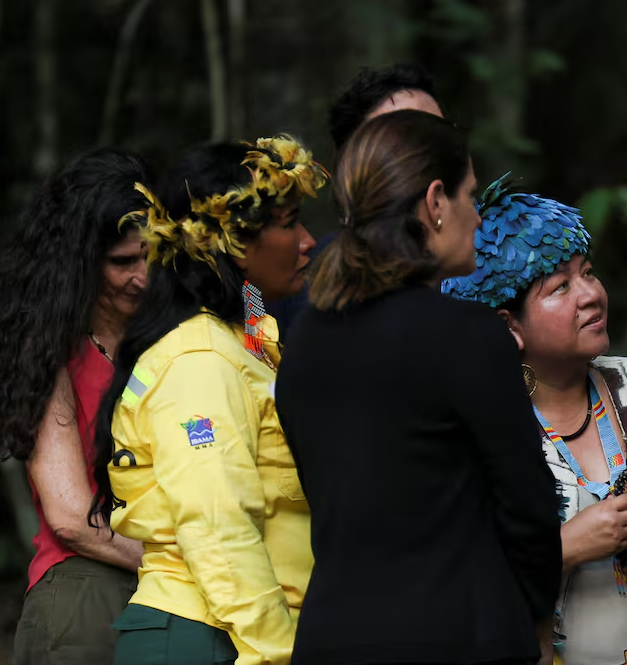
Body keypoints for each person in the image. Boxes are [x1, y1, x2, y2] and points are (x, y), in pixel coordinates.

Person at [274, 112, 562, 665]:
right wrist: (527, 616)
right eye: (470, 195)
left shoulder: (304, 339)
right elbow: (527, 508)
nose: (478, 216)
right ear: (435, 202)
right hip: (457, 635)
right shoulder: (469, 334)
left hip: (332, 638)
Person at [442, 177, 627, 665]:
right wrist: (564, 548)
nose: (591, 295)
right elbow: (456, 583)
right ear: (507, 325)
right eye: (560, 287)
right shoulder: (475, 428)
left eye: (589, 273)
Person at [89, 135, 327, 665]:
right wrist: (277, 653)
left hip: (230, 635)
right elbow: (218, 527)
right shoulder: (202, 361)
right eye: (289, 223)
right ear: (235, 244)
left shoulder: (246, 340)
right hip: (210, 638)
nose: (309, 240)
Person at [0, 149, 150, 664]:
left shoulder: (179, 333)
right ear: (81, 261)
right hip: (86, 589)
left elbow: (254, 304)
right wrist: (182, 564)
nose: (144, 277)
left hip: (169, 593)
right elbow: (69, 517)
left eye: (153, 254)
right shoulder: (47, 347)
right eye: (123, 262)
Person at [269, 62, 443, 332]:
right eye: (406, 141)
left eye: (441, 135)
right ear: (353, 167)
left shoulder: (499, 257)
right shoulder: (295, 279)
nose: (432, 152)